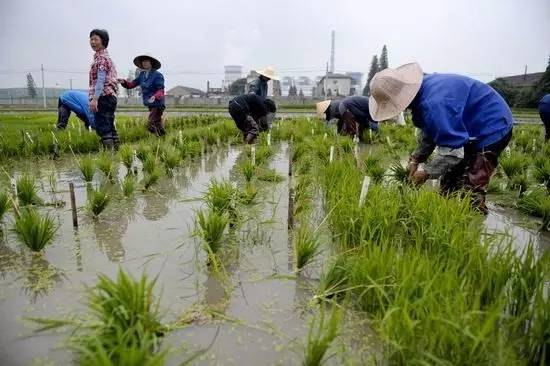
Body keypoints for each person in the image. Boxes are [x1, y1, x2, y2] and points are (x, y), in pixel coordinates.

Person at [369, 62, 514, 214]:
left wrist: (426, 173)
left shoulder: (434, 104)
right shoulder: (423, 92)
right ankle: (446, 218)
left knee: (471, 190)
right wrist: (415, 159)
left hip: (493, 124)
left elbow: (453, 154)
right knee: (448, 182)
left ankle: (474, 224)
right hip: (469, 124)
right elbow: (429, 132)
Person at [119, 54, 166, 136]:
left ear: (151, 63)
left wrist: (155, 96)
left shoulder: (157, 75)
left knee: (150, 123)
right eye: (143, 61)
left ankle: (158, 137)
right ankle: (163, 138)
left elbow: (161, 90)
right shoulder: (142, 75)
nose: (144, 63)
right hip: (150, 103)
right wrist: (124, 82)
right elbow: (132, 84)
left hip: (158, 103)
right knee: (157, 123)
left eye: (146, 61)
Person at [88, 29, 119, 150]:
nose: (92, 42)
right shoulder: (107, 58)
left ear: (103, 41)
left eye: (95, 39)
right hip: (110, 97)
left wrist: (95, 99)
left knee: (103, 126)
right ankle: (117, 155)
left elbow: (100, 80)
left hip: (103, 97)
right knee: (110, 126)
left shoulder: (101, 59)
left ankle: (109, 157)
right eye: (91, 39)